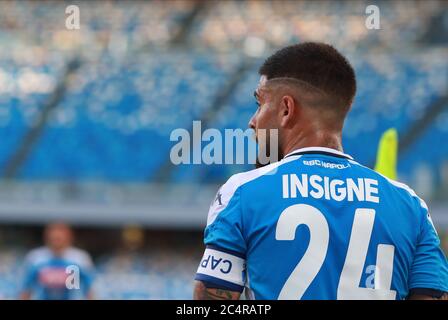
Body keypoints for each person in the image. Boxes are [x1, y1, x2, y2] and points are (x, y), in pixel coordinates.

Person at [193, 42, 448, 300]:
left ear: (286, 109)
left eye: (259, 104)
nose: (253, 121)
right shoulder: (410, 206)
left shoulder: (243, 193)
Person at [20, 222, 95, 300]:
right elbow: (26, 288)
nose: (56, 242)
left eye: (59, 238)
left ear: (69, 237)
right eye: (53, 238)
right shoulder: (35, 258)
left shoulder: (80, 258)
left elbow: (89, 289)